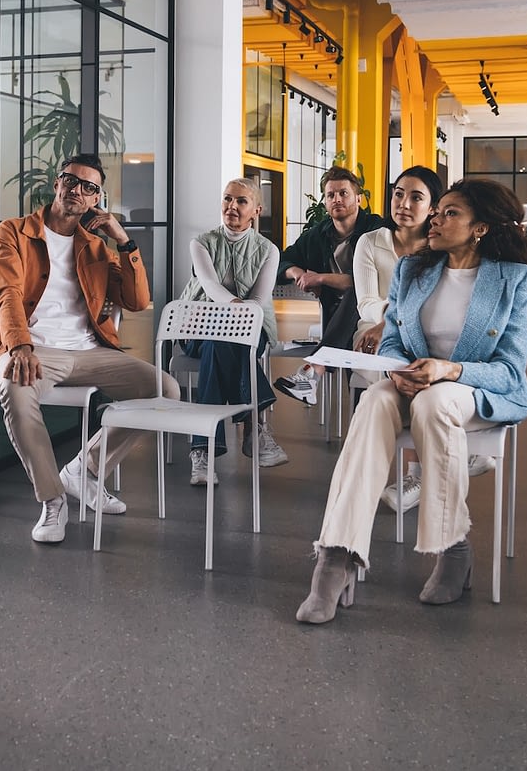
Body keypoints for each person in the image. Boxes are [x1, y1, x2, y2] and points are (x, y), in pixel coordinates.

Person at [297, 178, 527, 623]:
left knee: (435, 404)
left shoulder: (517, 279)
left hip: (471, 388)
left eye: (450, 213)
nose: (435, 218)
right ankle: (336, 555)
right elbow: (392, 341)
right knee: (372, 402)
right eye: (438, 210)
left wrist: (446, 371)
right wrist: (395, 370)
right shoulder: (414, 270)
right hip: (412, 381)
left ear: (480, 228)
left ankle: (452, 548)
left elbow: (509, 369)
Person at [0, 154, 179, 544]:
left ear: (97, 200)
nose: (77, 191)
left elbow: (137, 301)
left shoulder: (97, 248)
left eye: (90, 187)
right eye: (71, 181)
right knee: (15, 389)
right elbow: (7, 294)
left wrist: (124, 241)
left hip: (89, 352)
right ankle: (52, 501)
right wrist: (19, 345)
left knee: (165, 390)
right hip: (33, 350)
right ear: (57, 183)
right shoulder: (12, 233)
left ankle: (83, 471)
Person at [344, 166, 481, 519]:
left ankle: (415, 475)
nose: (403, 203)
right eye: (398, 193)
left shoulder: (442, 245)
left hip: (424, 335)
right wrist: (394, 318)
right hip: (372, 330)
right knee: (403, 370)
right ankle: (447, 453)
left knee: (422, 364)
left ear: (434, 206)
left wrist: (405, 319)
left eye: (416, 197)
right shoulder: (369, 242)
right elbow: (366, 302)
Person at [181, 177, 286, 487]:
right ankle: (256, 426)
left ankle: (202, 452)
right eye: (227, 199)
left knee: (224, 343)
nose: (232, 206)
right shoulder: (200, 242)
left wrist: (240, 315)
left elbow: (260, 299)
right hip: (199, 325)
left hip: (251, 327)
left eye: (241, 201)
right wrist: (235, 307)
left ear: (257, 209)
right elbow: (210, 286)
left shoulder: (268, 250)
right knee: (218, 340)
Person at [272, 165, 391, 406]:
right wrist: (300, 274)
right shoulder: (318, 234)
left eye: (343, 193)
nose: (336, 199)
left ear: (358, 198)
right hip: (336, 318)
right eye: (330, 195)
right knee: (359, 385)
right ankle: (315, 377)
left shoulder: (377, 230)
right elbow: (282, 261)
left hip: (373, 315)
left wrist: (321, 278)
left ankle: (314, 371)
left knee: (355, 295)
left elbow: (366, 282)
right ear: (325, 201)